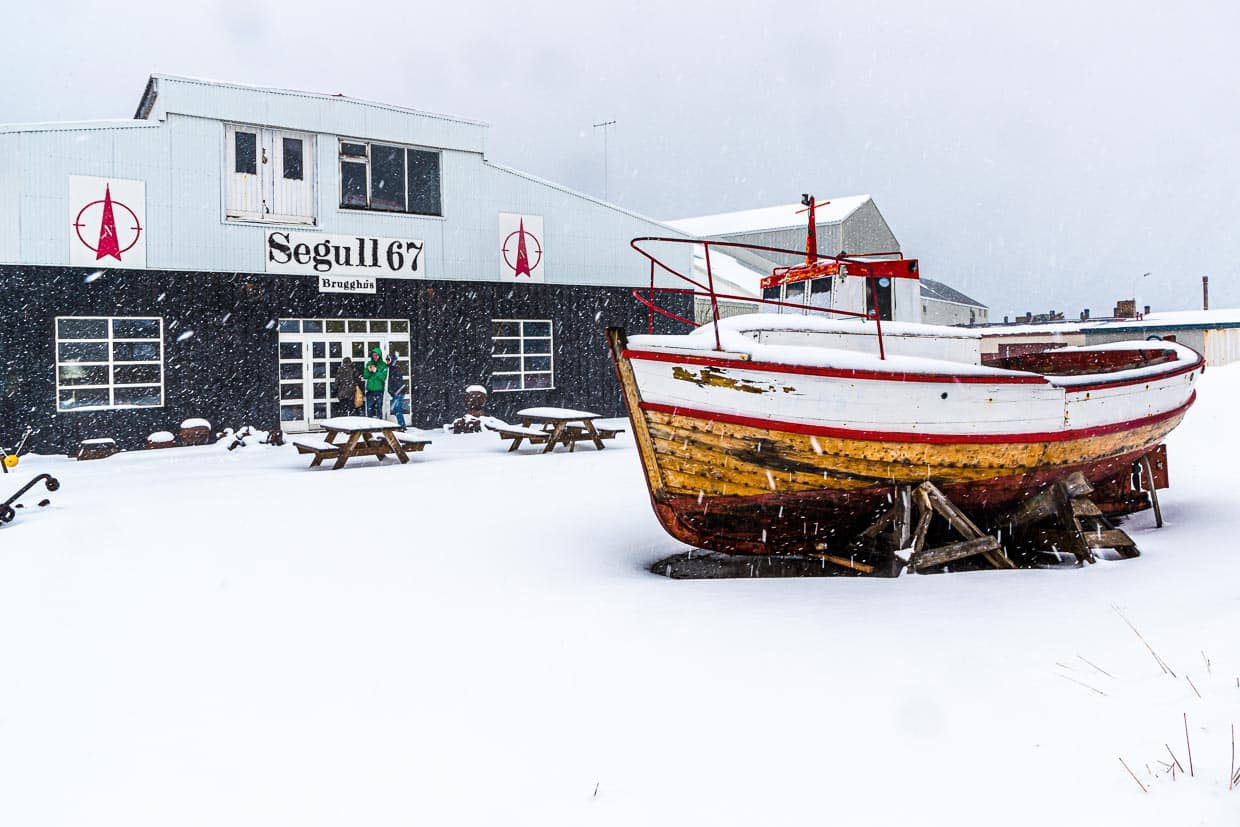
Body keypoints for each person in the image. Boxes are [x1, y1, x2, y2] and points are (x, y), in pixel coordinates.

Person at [362, 346, 388, 419]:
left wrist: (376, 371)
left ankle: (380, 425)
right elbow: (365, 376)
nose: (375, 357)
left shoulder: (383, 365)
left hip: (379, 391)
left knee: (379, 408)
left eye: (376, 355)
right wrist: (369, 371)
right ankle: (369, 427)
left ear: (379, 355)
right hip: (370, 391)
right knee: (369, 409)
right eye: (373, 355)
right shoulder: (369, 363)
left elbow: (383, 377)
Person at [386, 353, 408, 430]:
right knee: (396, 410)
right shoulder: (391, 368)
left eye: (388, 359)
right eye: (386, 360)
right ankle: (402, 425)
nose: (387, 361)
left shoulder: (395, 368)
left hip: (398, 392)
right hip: (396, 392)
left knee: (397, 410)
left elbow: (398, 381)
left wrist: (396, 391)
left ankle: (402, 426)